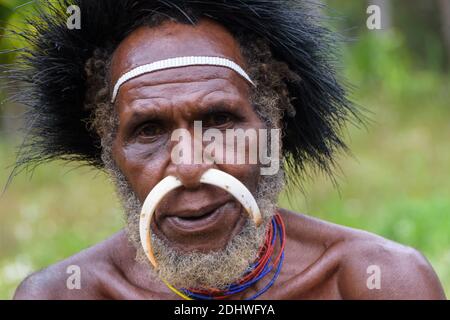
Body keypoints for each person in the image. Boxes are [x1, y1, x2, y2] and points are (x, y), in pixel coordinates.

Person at [8, 0, 445, 299]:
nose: (191, 165)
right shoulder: (64, 293)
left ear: (271, 127)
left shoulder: (373, 281)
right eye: (149, 130)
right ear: (110, 152)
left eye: (219, 120)